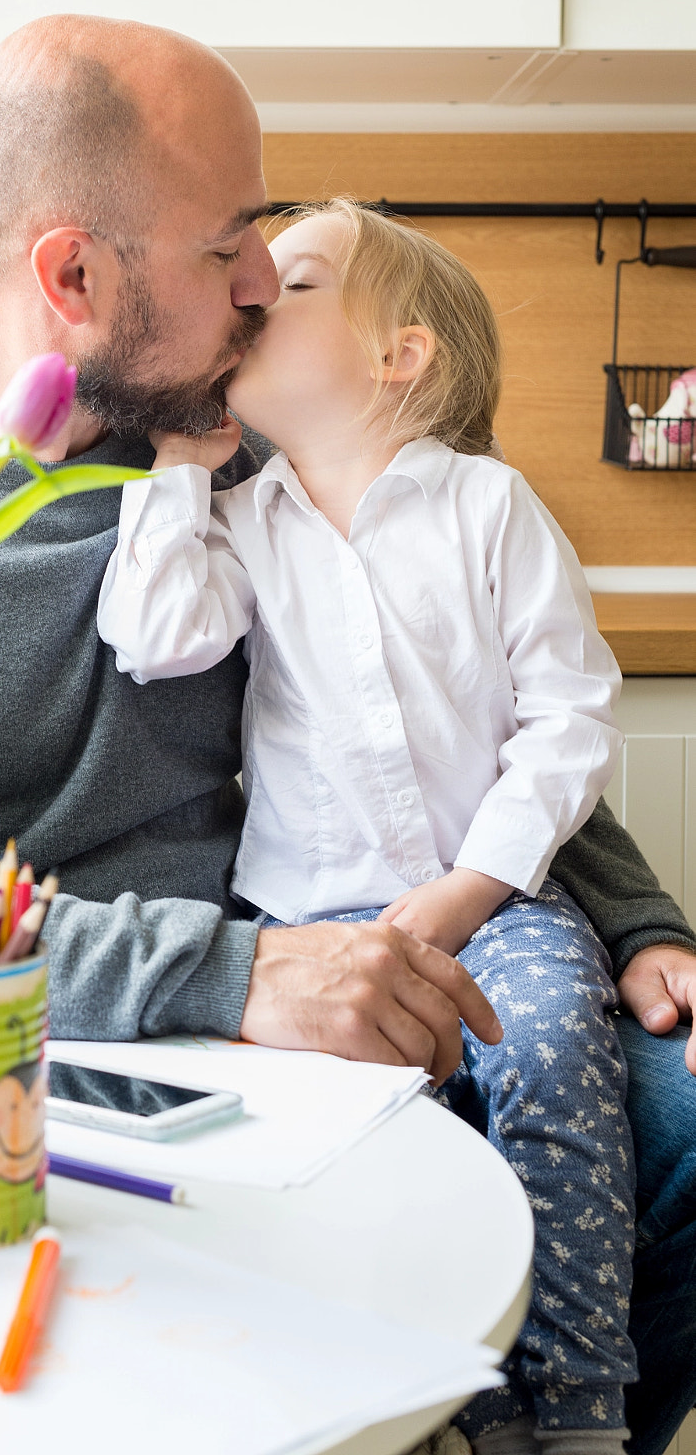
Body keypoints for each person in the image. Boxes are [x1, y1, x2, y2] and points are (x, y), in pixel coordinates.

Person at [0, 14, 696, 1455]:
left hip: (353, 981)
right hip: (72, 1045)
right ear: (69, 275)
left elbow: (456, 712)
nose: (258, 283)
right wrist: (234, 975)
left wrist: (633, 922)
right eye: (224, 244)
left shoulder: (239, 452)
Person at [97, 196, 637, 1455]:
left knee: (554, 1057)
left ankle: (572, 1410)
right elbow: (156, 637)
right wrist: (180, 464)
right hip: (307, 919)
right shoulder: (237, 519)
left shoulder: (489, 509)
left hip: (491, 907)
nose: (246, 297)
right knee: (385, 1141)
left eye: (289, 286)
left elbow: (568, 721)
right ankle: (462, 1406)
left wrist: (467, 890)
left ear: (398, 356)